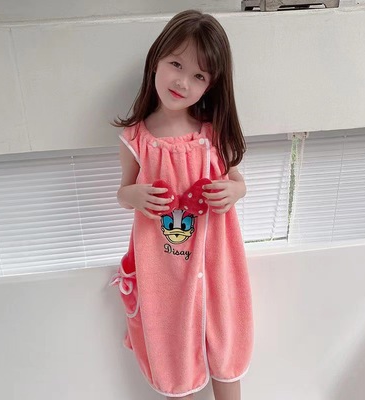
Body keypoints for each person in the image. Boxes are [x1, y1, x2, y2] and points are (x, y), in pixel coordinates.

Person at [108, 9, 254, 400]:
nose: (182, 82)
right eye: (176, 64)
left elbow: (237, 180)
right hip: (166, 268)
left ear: (211, 85)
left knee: (225, 344)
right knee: (175, 351)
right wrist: (135, 195)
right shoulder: (136, 140)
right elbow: (123, 192)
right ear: (156, 59)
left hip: (217, 261)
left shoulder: (213, 133)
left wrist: (234, 191)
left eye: (199, 76)